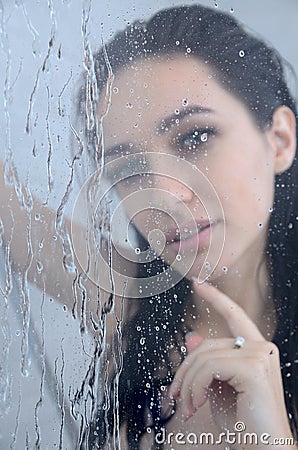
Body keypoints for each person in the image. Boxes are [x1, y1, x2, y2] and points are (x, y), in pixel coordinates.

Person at [79, 4, 298, 449]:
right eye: (128, 169)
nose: (163, 195)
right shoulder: (130, 303)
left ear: (278, 141)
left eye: (195, 137)